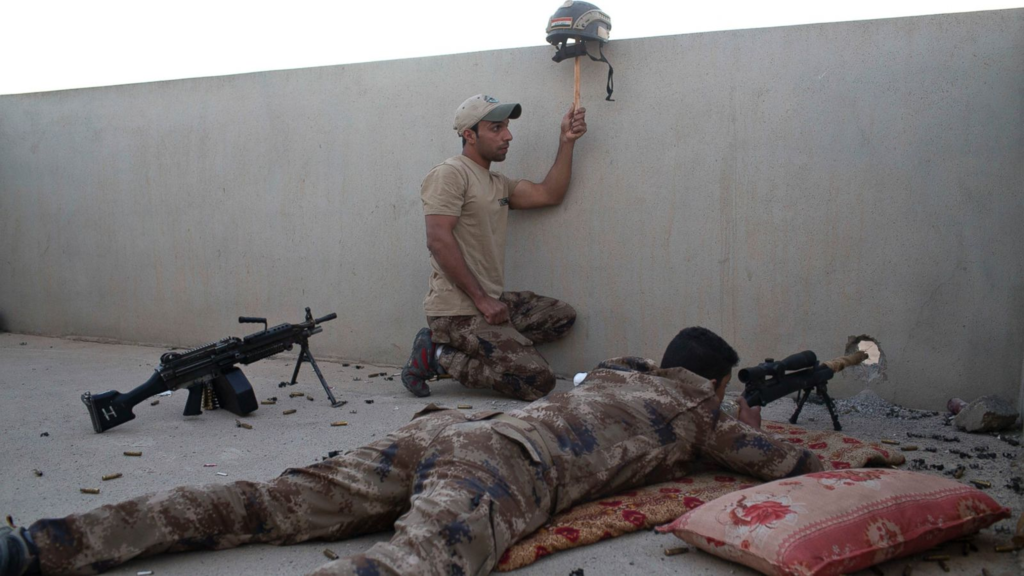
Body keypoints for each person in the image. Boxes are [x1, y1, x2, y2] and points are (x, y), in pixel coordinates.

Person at [0, 327, 821, 576]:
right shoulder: (694, 408)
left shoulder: (614, 370)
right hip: (507, 463)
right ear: (713, 385)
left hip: (439, 432)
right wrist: (750, 422)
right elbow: (790, 466)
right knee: (404, 571)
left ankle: (42, 544)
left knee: (258, 503)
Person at [400, 94, 587, 401]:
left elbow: (548, 194)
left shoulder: (497, 183)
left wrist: (567, 141)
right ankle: (439, 355)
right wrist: (482, 300)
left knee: (560, 316)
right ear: (469, 135)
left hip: (488, 301)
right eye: (497, 128)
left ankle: (486, 346)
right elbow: (437, 239)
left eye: (507, 127)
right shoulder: (450, 174)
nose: (508, 135)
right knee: (538, 381)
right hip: (456, 311)